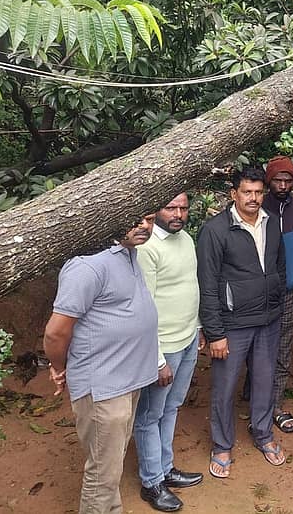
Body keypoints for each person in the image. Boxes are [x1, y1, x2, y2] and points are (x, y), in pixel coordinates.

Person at [43, 214, 161, 514]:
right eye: (136, 219)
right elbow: (56, 332)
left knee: (112, 462)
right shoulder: (87, 266)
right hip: (104, 389)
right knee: (102, 474)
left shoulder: (129, 254)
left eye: (148, 219)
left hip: (127, 382)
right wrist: (58, 368)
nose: (144, 226)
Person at [197, 167, 288, 478]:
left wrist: (276, 303)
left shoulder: (272, 223)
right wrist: (215, 332)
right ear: (233, 194)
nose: (254, 198)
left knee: (264, 380)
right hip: (232, 324)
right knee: (224, 386)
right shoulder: (215, 230)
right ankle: (222, 444)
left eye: (258, 192)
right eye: (247, 192)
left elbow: (279, 268)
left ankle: (263, 433)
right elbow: (207, 285)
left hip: (268, 320)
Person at [133, 192, 205, 512]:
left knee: (172, 406)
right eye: (170, 207)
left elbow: (192, 286)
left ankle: (165, 469)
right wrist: (157, 358)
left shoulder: (186, 239)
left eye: (183, 208)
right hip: (163, 347)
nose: (178, 213)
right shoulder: (147, 248)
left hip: (188, 338)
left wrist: (199, 328)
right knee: (149, 415)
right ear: (156, 209)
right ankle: (151, 483)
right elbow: (143, 307)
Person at [240, 156, 293, 433]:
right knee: (254, 344)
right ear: (268, 181)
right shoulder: (258, 208)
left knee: (282, 346)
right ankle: (254, 393)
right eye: (277, 180)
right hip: (258, 292)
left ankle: (276, 405)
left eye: (288, 180)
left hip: (289, 291)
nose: (283, 185)